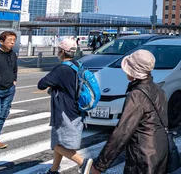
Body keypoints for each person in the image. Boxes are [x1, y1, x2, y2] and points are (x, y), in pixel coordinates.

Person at [91, 49, 168, 174]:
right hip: (159, 149)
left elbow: (122, 132)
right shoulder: (158, 88)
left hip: (142, 155)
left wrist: (100, 165)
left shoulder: (136, 95)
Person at [38, 39, 93, 174]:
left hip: (64, 111)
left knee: (57, 145)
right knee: (61, 143)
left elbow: (41, 84)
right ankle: (53, 170)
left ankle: (83, 163)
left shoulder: (61, 69)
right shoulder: (77, 65)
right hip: (76, 110)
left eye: (59, 50)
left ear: (62, 51)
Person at [0, 31, 18, 149]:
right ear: (1, 42)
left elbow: (15, 69)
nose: (12, 43)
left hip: (9, 89)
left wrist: (14, 81)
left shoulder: (13, 54)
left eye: (14, 41)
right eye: (9, 40)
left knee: (2, 115)